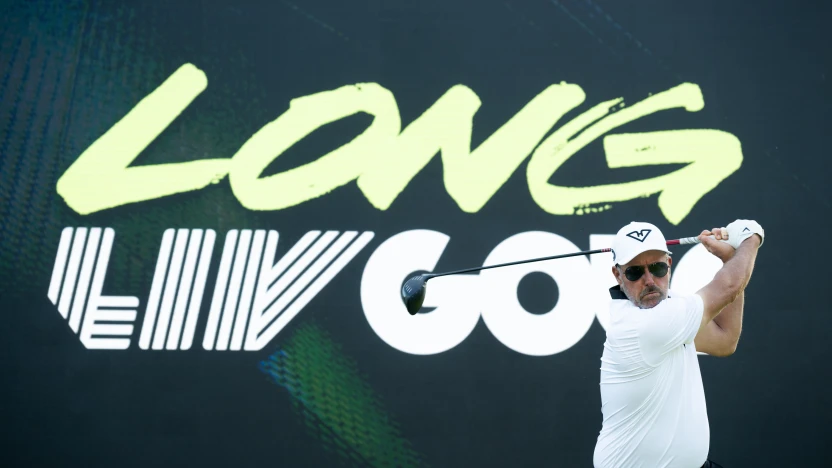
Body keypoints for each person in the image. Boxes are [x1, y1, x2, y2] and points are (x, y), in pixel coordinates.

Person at [592, 219, 764, 468]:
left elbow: (725, 340)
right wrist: (751, 237)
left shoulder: (671, 312)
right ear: (617, 275)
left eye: (657, 268)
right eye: (634, 272)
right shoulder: (640, 326)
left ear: (669, 265)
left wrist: (729, 260)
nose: (649, 279)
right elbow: (729, 285)